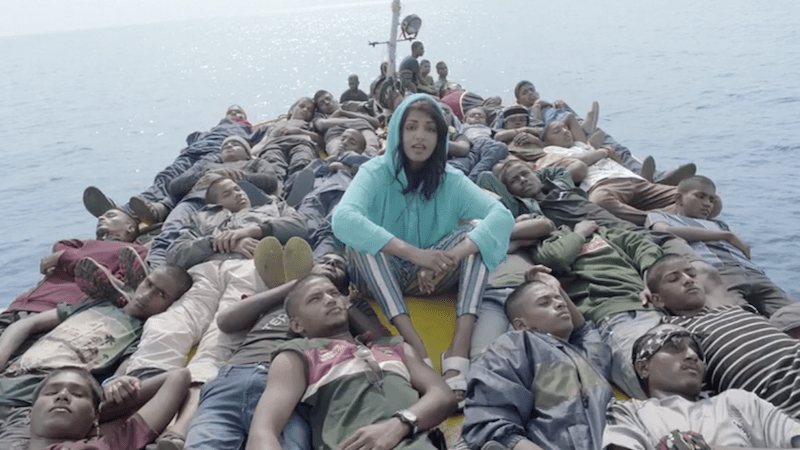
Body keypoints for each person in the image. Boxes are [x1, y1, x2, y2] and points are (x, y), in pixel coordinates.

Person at [331, 94, 514, 406]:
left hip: (433, 275)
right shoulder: (374, 173)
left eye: (430, 129)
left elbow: (501, 216)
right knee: (362, 243)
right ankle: (413, 344)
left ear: (440, 137)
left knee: (475, 237)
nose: (420, 136)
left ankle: (458, 347)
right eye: (411, 127)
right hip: (382, 274)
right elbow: (344, 219)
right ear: (397, 132)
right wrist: (415, 255)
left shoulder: (451, 180)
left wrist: (448, 259)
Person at [182, 246, 383, 450]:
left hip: (295, 388)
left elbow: (384, 343)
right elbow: (226, 321)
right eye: (324, 260)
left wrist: (344, 302)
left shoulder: (346, 309)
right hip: (236, 376)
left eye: (339, 265)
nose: (330, 264)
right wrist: (296, 285)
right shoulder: (278, 299)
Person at [245, 274, 457, 450]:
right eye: (315, 299)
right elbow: (263, 431)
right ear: (297, 325)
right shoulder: (297, 355)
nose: (330, 300)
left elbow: (443, 395)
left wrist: (398, 425)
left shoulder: (396, 347)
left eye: (334, 293)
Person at [0, 265, 192, 448]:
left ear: (171, 304)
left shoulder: (141, 335)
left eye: (161, 294)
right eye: (148, 284)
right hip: (10, 376)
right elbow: (27, 324)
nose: (147, 295)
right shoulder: (97, 305)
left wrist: (113, 383)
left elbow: (116, 379)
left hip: (30, 403)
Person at [462, 269, 613, 450]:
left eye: (559, 299)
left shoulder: (586, 355)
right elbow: (491, 419)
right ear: (522, 324)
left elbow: (584, 330)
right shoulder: (515, 346)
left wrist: (556, 287)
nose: (560, 304)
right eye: (544, 303)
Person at [645, 254, 800, 418]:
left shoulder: (731, 309)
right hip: (783, 396)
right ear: (658, 299)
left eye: (692, 274)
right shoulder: (677, 333)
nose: (688, 280)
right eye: (674, 279)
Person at [603, 323, 800, 450]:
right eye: (674, 346)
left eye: (696, 350)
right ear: (643, 367)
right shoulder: (628, 412)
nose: (692, 355)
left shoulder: (737, 402)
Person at [532, 219, 663, 399]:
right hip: (612, 314)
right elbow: (557, 258)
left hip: (651, 307)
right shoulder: (544, 246)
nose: (534, 220)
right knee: (662, 378)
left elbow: (644, 247)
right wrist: (580, 232)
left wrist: (650, 282)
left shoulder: (604, 234)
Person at [645, 175, 797, 318]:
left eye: (711, 200)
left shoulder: (719, 224)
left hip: (753, 272)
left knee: (792, 314)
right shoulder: (661, 217)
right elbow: (664, 231)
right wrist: (726, 236)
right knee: (740, 318)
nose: (707, 203)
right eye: (700, 196)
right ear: (679, 198)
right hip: (718, 273)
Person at [83, 105, 257, 225]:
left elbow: (261, 142)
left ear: (244, 118)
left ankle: (154, 209)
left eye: (239, 113)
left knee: (188, 180)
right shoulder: (208, 132)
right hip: (192, 152)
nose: (235, 114)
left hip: (215, 153)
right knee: (166, 177)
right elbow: (191, 138)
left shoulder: (247, 130)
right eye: (232, 112)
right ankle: (125, 210)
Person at [0, 209, 147, 348]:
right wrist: (68, 258)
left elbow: (116, 286)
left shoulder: (135, 252)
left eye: (111, 215)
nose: (101, 218)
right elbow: (60, 245)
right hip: (19, 308)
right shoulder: (82, 245)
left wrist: (64, 258)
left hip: (56, 315)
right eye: (101, 216)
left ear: (130, 227)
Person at [541, 120, 681, 225]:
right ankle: (656, 218)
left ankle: (660, 214)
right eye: (557, 131)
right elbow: (581, 161)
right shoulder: (549, 153)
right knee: (599, 202)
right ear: (546, 142)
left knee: (685, 195)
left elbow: (571, 118)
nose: (565, 131)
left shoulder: (580, 145)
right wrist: (604, 151)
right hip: (601, 183)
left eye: (565, 128)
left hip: (629, 177)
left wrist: (610, 156)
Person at [24, 366, 190, 450]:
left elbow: (178, 376)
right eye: (51, 392)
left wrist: (114, 397)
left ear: (96, 416)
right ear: (29, 414)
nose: (63, 395)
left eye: (78, 394)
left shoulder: (107, 445)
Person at [165, 176, 307, 269]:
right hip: (215, 270)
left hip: (266, 263)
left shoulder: (274, 206)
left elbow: (301, 225)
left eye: (237, 189)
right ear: (216, 204)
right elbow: (175, 254)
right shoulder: (201, 219)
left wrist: (252, 231)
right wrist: (220, 243)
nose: (238, 194)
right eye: (227, 194)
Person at [250, 97, 321, 184]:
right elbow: (262, 143)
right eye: (302, 106)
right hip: (274, 145)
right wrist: (251, 155)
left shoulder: (311, 124)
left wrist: (300, 131)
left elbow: (320, 139)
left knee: (302, 161)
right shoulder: (275, 125)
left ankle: (297, 184)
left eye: (310, 110)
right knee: (273, 164)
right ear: (292, 110)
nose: (305, 110)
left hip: (301, 143)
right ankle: (276, 188)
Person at [445, 106, 509, 181]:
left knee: (500, 146)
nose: (477, 116)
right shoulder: (461, 127)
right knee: (457, 165)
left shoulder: (489, 129)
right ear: (465, 120)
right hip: (470, 147)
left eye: (481, 116)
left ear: (486, 121)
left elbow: (499, 119)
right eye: (472, 115)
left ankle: (471, 179)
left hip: (487, 145)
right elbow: (449, 114)